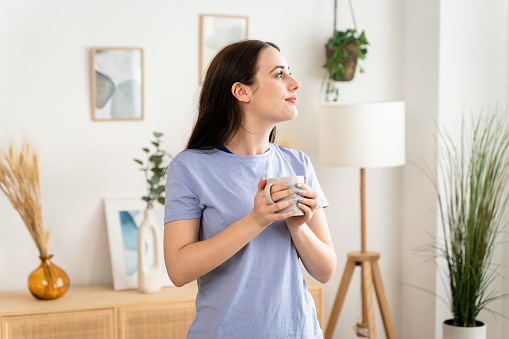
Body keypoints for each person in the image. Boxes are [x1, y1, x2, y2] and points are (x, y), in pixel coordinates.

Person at [163, 39, 336, 339]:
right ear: (242, 91)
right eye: (280, 74)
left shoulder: (298, 164)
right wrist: (256, 220)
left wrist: (298, 228)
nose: (294, 84)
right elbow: (178, 270)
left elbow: (325, 270)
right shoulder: (189, 167)